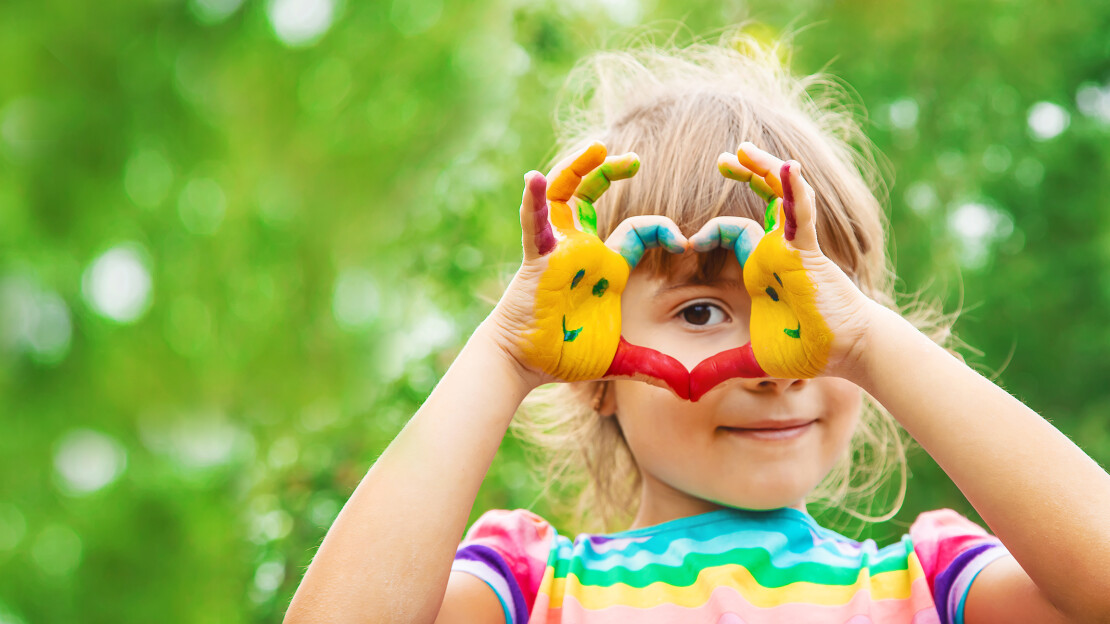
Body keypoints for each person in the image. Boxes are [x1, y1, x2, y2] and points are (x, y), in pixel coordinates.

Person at [283, 32, 1110, 624]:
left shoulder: (932, 587)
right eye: (702, 310)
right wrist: (503, 355)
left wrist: (867, 340)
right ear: (596, 373)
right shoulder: (530, 592)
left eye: (813, 307)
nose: (778, 366)